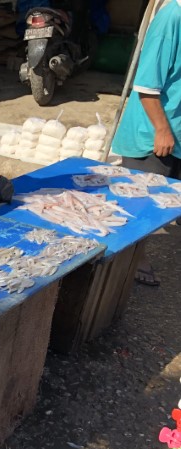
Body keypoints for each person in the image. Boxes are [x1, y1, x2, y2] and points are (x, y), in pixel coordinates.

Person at [110, 0, 181, 287]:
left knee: (165, 200)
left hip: (176, 126)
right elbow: (147, 85)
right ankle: (132, 259)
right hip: (154, 130)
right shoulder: (173, 17)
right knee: (140, 203)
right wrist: (162, 130)